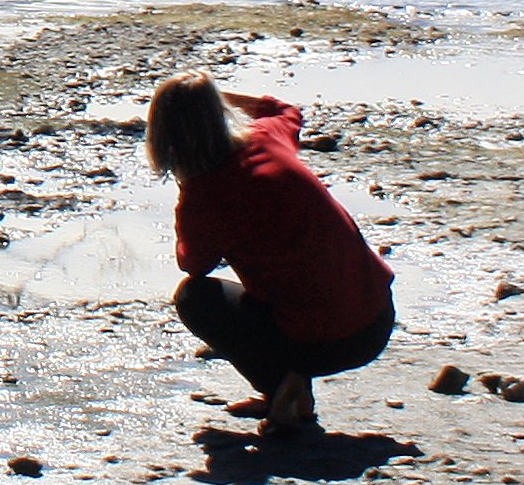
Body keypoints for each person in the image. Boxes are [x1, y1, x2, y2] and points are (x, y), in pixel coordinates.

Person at [151, 71, 394, 445]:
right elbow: (285, 109)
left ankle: (286, 386)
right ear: (219, 112)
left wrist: (187, 199)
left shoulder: (205, 195)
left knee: (194, 297)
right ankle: (290, 387)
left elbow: (192, 263)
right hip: (376, 317)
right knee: (302, 288)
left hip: (321, 345)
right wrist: (223, 98)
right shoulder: (266, 137)